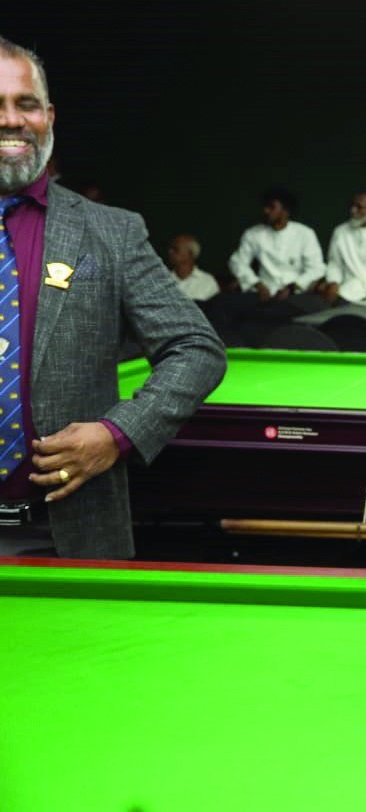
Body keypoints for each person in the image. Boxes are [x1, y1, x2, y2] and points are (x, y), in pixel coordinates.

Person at [0, 37, 225, 558]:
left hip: (68, 534)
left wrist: (116, 433)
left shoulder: (110, 234)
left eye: (25, 103)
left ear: (49, 116)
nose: (11, 120)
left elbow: (196, 348)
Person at [228, 187, 325, 303]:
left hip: (295, 294)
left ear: (286, 211)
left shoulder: (305, 233)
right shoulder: (253, 233)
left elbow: (317, 268)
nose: (266, 211)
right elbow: (237, 262)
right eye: (265, 207)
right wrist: (257, 284)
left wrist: (293, 287)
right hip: (263, 293)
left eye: (271, 207)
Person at [167, 233, 220, 302]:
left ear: (190, 254)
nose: (170, 252)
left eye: (175, 249)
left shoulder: (207, 282)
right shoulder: (162, 281)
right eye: (170, 248)